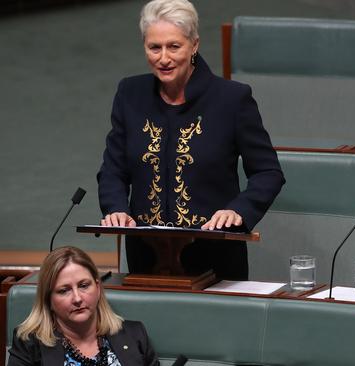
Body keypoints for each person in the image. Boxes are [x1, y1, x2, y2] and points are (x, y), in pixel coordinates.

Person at [97, 0, 285, 279]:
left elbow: (268, 172)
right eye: (154, 47)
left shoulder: (232, 99)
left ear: (194, 45)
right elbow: (113, 170)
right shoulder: (130, 94)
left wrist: (238, 212)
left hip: (215, 257)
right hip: (146, 258)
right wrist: (116, 210)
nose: (163, 58)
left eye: (174, 46)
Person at [7, 246, 159, 366]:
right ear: (48, 299)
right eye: (64, 290)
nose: (77, 298)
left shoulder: (134, 335)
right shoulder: (29, 343)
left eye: (84, 285)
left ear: (98, 288)